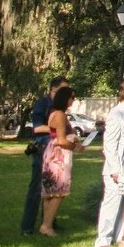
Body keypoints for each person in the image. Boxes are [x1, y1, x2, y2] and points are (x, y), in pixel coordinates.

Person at [96, 78, 124, 247]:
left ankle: (121, 236)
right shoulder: (117, 113)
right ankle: (103, 240)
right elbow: (109, 144)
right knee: (112, 202)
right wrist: (114, 169)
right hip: (116, 167)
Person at [22, 74, 67, 236]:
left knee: (52, 189)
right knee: (36, 189)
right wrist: (58, 129)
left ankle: (48, 222)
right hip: (42, 148)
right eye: (63, 90)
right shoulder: (42, 104)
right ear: (53, 90)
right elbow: (37, 128)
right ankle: (27, 227)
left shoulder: (61, 108)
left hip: (56, 151)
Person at [38, 85, 79, 237]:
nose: (73, 100)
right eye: (72, 97)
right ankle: (47, 226)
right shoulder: (60, 115)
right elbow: (61, 140)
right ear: (65, 98)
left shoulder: (53, 113)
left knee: (50, 192)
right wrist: (74, 145)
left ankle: (45, 224)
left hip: (51, 152)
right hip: (58, 155)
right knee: (58, 191)